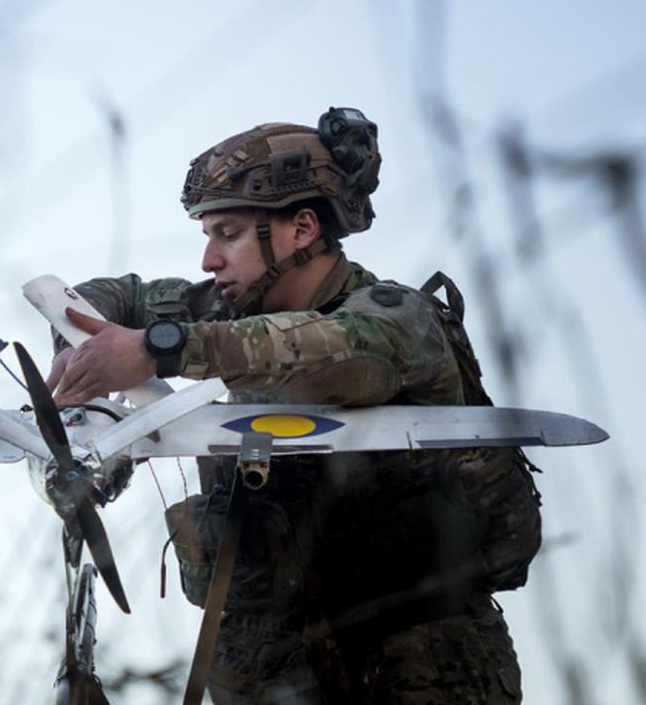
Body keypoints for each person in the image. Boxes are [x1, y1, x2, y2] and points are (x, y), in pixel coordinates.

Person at [45, 108, 541, 704]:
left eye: (226, 234)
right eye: (207, 237)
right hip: (268, 668)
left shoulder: (397, 320)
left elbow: (336, 357)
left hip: (414, 664)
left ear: (302, 229)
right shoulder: (227, 310)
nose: (208, 260)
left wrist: (160, 349)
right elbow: (116, 298)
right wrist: (80, 353)